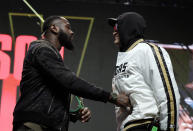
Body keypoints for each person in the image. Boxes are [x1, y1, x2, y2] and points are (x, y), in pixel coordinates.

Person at [12, 16, 130, 131]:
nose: (72, 32)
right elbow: (69, 81)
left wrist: (73, 115)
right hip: (34, 126)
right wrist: (111, 97)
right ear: (54, 28)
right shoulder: (42, 49)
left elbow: (46, 102)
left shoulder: (48, 54)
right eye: (68, 27)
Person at [107, 12, 180, 131]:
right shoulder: (121, 59)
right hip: (128, 127)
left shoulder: (148, 50)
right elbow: (119, 102)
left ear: (129, 28)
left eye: (117, 27)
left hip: (146, 125)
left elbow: (167, 93)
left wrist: (170, 128)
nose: (114, 32)